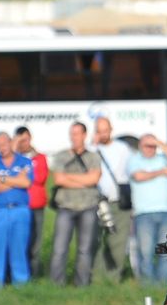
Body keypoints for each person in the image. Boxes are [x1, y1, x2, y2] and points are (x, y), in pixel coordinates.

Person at [48, 122, 101, 287]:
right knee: (59, 249)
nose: (74, 137)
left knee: (85, 249)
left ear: (84, 135)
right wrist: (85, 181)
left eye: (77, 133)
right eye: (72, 133)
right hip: (65, 207)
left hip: (88, 207)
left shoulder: (93, 157)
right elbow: (58, 179)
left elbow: (94, 179)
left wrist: (69, 178)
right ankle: (57, 284)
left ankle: (82, 284)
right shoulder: (61, 155)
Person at [0, 131, 34, 289]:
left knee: (19, 249)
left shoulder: (24, 161)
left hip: (20, 211)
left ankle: (21, 283)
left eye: (4, 144)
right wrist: (17, 180)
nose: (2, 147)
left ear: (10, 142)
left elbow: (26, 184)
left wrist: (4, 179)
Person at [88, 116, 133, 280]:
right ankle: (97, 278)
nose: (103, 134)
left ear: (111, 130)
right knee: (96, 241)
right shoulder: (90, 149)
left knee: (117, 241)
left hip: (117, 201)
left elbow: (129, 174)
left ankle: (114, 277)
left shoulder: (122, 148)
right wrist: (93, 144)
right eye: (99, 131)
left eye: (105, 131)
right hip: (95, 201)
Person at [128, 133, 167, 285]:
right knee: (145, 252)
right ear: (140, 146)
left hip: (166, 212)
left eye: (152, 146)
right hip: (144, 213)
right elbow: (138, 176)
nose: (150, 149)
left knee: (166, 251)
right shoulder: (134, 160)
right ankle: (147, 285)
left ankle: (163, 283)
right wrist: (161, 172)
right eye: (146, 145)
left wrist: (159, 142)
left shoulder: (163, 159)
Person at [19, 127, 49, 268]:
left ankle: (34, 271)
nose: (24, 143)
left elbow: (41, 177)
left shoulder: (40, 157)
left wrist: (23, 176)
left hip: (36, 205)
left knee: (35, 240)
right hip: (20, 205)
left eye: (26, 139)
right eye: (21, 140)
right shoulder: (15, 158)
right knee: (21, 239)